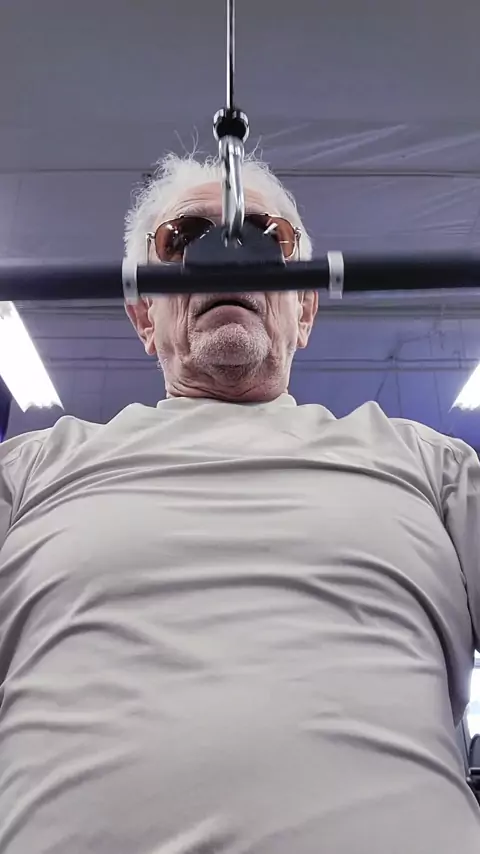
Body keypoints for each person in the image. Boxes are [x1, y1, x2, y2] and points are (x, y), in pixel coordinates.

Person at [0, 153, 479, 854]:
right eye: (182, 239)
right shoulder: (28, 471)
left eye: (266, 237)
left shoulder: (428, 465)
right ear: (143, 313)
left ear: (305, 306)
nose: (227, 256)